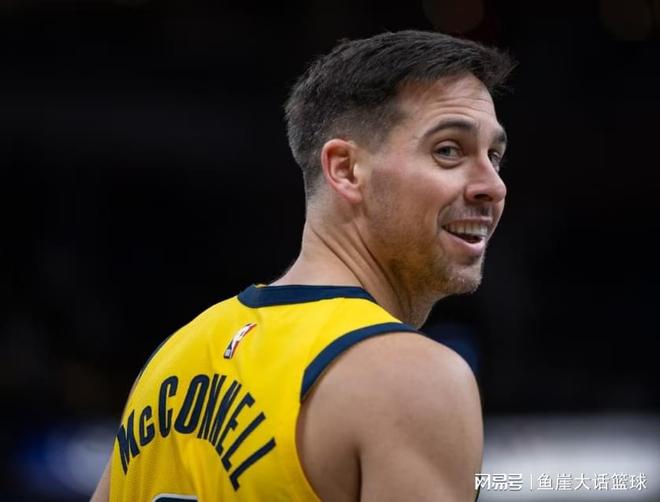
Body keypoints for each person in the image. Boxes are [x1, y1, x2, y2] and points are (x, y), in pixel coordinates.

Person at [92, 29, 514, 502]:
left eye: (495, 156)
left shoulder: (173, 358)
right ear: (346, 169)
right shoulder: (414, 378)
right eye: (449, 151)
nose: (493, 186)